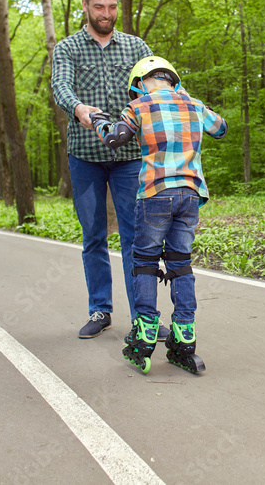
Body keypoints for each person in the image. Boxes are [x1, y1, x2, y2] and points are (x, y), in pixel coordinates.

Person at [51, 0, 165, 340]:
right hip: (84, 157)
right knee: (94, 236)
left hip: (130, 156)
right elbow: (61, 86)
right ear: (85, 6)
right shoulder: (68, 48)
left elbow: (155, 86)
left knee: (136, 237)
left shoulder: (135, 46)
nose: (106, 13)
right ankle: (100, 310)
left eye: (112, 6)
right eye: (99, 6)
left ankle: (143, 317)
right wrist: (79, 107)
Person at [97, 56, 227, 374]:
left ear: (141, 82)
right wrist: (189, 106)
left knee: (144, 261)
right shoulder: (193, 104)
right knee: (181, 265)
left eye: (136, 88)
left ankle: (145, 332)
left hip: (155, 193)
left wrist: (100, 124)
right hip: (191, 195)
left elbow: (115, 139)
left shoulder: (139, 106)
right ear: (173, 79)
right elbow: (221, 128)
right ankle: (184, 335)